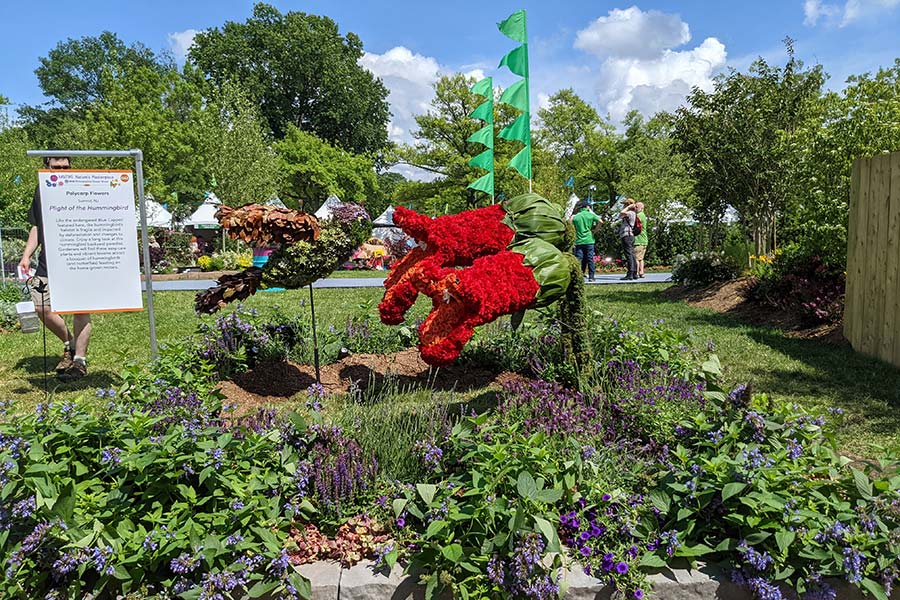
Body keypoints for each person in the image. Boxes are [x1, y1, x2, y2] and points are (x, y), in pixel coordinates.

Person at [19, 155, 92, 381]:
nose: (62, 170)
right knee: (42, 307)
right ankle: (69, 342)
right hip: (48, 262)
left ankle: (79, 361)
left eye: (66, 166)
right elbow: (37, 226)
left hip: (79, 258)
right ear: (46, 167)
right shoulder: (41, 190)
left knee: (81, 308)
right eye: (56, 166)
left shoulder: (83, 188)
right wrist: (27, 254)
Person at [571, 201, 601, 281]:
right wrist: (595, 230)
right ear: (587, 207)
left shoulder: (576, 216)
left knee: (579, 259)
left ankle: (578, 275)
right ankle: (591, 276)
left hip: (579, 240)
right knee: (590, 258)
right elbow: (601, 221)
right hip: (589, 239)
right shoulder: (590, 215)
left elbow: (569, 223)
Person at [618, 198, 638, 281]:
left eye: (624, 204)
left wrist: (629, 207)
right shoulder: (633, 213)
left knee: (629, 254)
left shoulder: (630, 212)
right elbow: (619, 216)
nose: (623, 206)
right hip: (630, 235)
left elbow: (621, 213)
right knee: (632, 254)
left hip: (627, 235)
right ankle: (634, 273)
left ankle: (630, 273)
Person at [633, 201, 649, 278]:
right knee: (641, 258)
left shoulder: (639, 215)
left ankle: (635, 272)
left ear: (641, 208)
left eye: (636, 207)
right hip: (644, 240)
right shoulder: (643, 215)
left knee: (636, 258)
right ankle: (641, 272)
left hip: (638, 240)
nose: (634, 208)